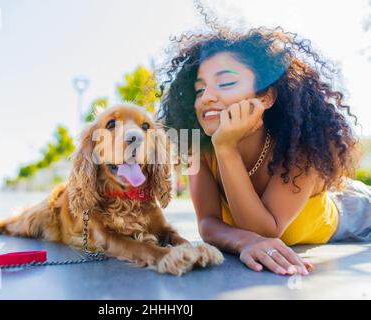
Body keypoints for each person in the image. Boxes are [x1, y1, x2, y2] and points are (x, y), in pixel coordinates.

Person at [157, 26, 371, 276]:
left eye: (225, 83)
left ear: (267, 97)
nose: (206, 98)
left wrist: (227, 148)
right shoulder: (200, 148)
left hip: (354, 211)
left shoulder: (298, 147)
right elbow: (207, 223)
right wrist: (243, 241)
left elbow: (265, 230)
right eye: (199, 90)